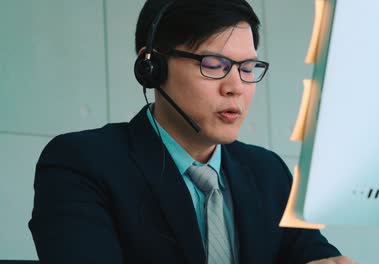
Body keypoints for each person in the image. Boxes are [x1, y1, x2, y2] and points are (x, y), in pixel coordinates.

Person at [29, 0, 355, 263]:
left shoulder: (268, 173)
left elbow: (311, 252)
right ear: (152, 67)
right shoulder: (82, 164)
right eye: (214, 65)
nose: (236, 88)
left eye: (247, 68)